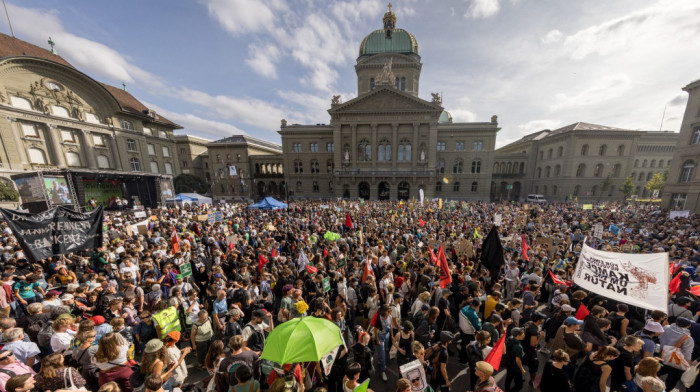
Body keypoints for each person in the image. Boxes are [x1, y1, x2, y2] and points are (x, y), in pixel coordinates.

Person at [658, 316, 694, 390]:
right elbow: (687, 353)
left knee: (657, 371)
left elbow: (659, 337)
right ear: (688, 326)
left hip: (662, 356)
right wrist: (688, 363)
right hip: (676, 362)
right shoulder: (688, 338)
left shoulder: (666, 328)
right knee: (672, 380)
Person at [504, 327, 526, 392]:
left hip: (509, 363)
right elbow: (518, 360)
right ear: (518, 335)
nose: (524, 334)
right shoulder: (518, 347)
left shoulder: (510, 338)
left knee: (508, 378)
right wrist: (522, 369)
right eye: (523, 333)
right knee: (519, 385)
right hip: (515, 367)